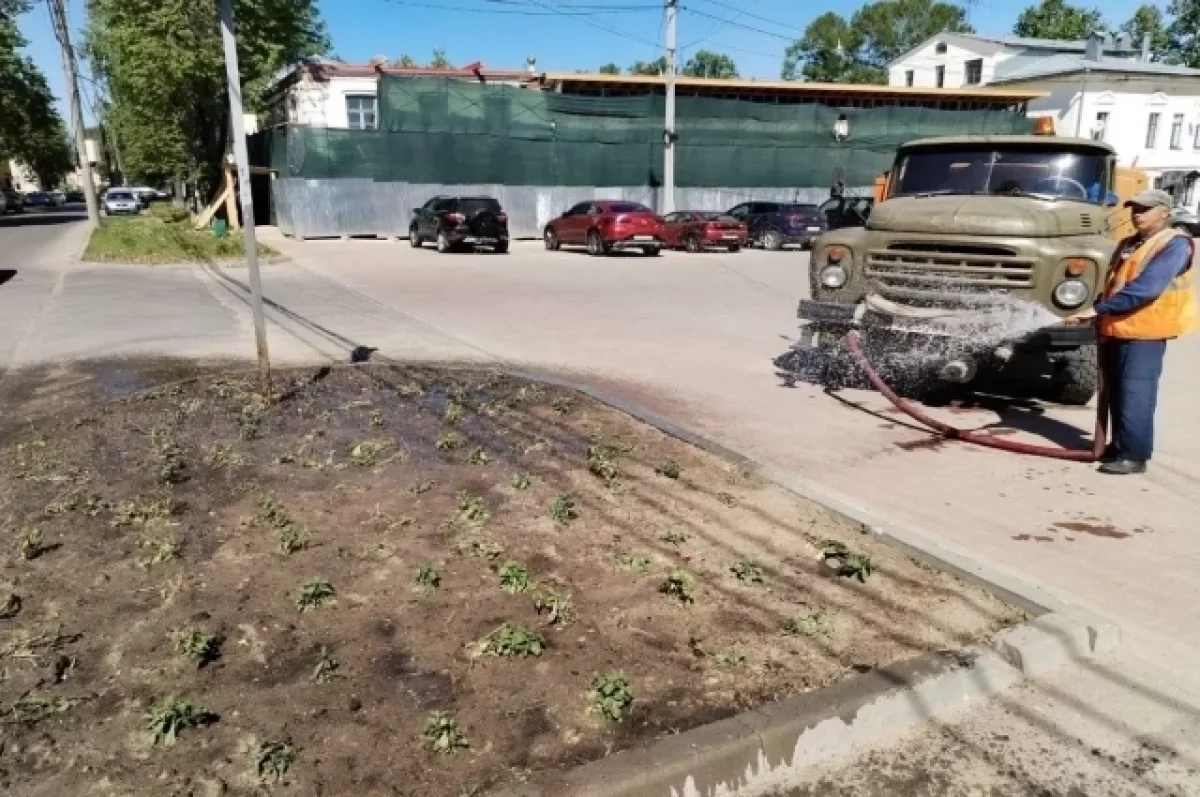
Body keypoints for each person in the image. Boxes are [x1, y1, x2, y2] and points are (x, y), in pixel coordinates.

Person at [1065, 189, 1198, 475]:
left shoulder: (1174, 245)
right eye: (1134, 208)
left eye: (1146, 209)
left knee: (1136, 393)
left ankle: (1134, 455)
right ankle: (1118, 445)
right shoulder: (1129, 243)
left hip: (1146, 332)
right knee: (1116, 392)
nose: (1137, 214)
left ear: (1165, 212)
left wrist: (1098, 311)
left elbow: (1147, 288)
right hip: (1118, 328)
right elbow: (1115, 283)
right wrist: (1098, 310)